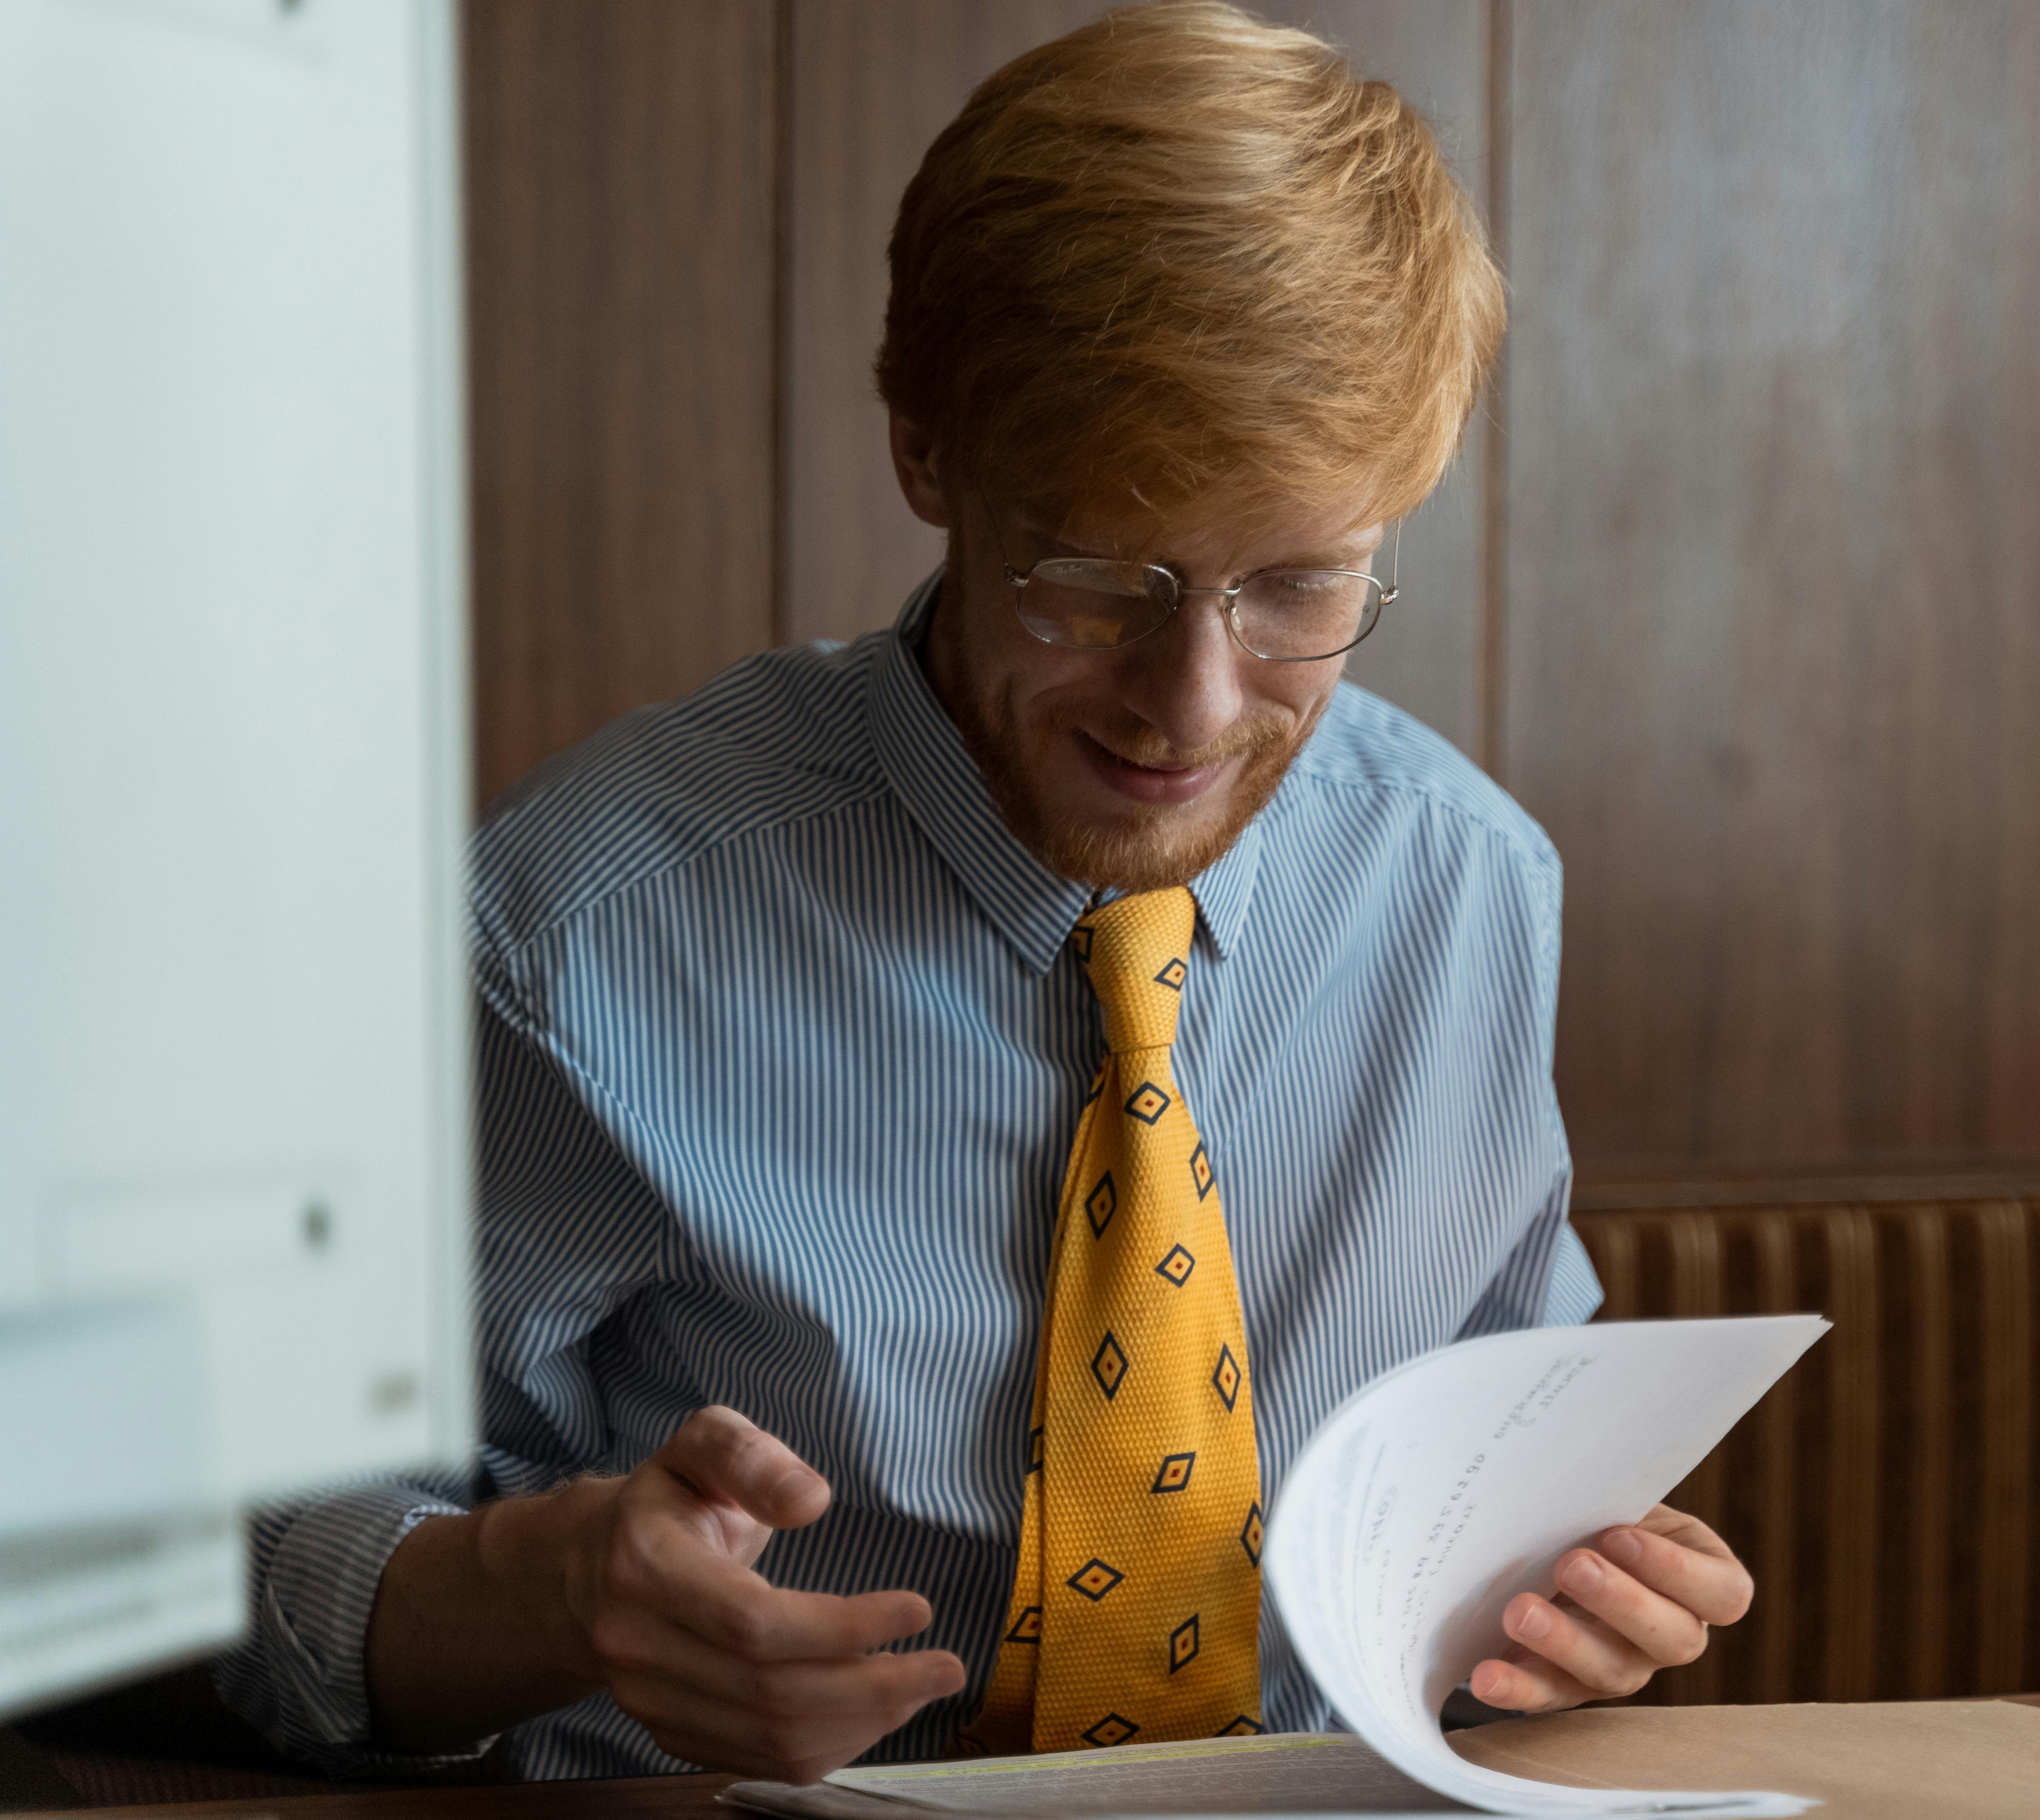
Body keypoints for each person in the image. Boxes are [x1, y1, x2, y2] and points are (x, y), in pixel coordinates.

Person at [218, 0, 1752, 1785]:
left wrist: (1576, 1596)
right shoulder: (573, 926)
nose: (1189, 705)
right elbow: (224, 1563)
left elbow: (1500, 1463)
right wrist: (540, 1594)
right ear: (928, 451)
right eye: (1095, 574)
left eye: (1297, 586)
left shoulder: (1466, 885)